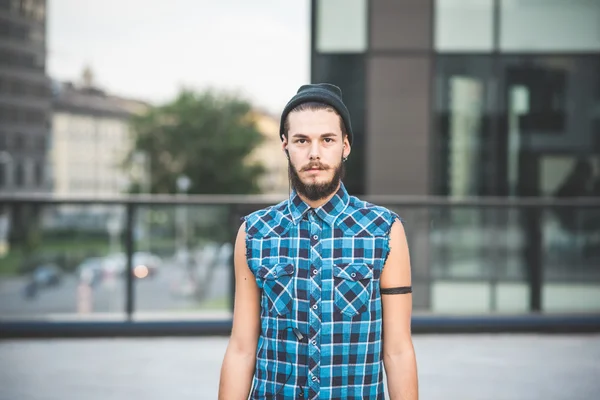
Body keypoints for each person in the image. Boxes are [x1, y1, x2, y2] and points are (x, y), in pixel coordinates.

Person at [218, 83, 418, 399]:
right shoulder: (254, 232)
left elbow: (398, 350)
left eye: (327, 140)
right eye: (301, 140)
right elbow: (242, 348)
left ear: (345, 145)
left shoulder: (385, 230)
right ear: (284, 144)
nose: (314, 153)